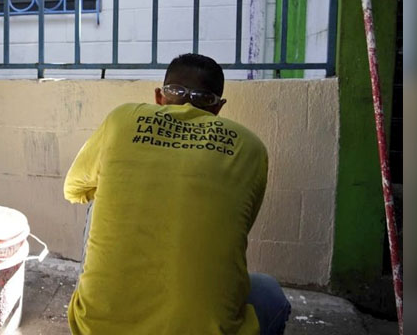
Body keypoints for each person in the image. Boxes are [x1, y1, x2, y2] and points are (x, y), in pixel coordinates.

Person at [63, 54, 291, 334]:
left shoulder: (123, 119)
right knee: (269, 291)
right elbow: (240, 224)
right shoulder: (251, 147)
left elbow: (73, 189)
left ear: (159, 97)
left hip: (97, 326)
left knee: (98, 191)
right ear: (218, 107)